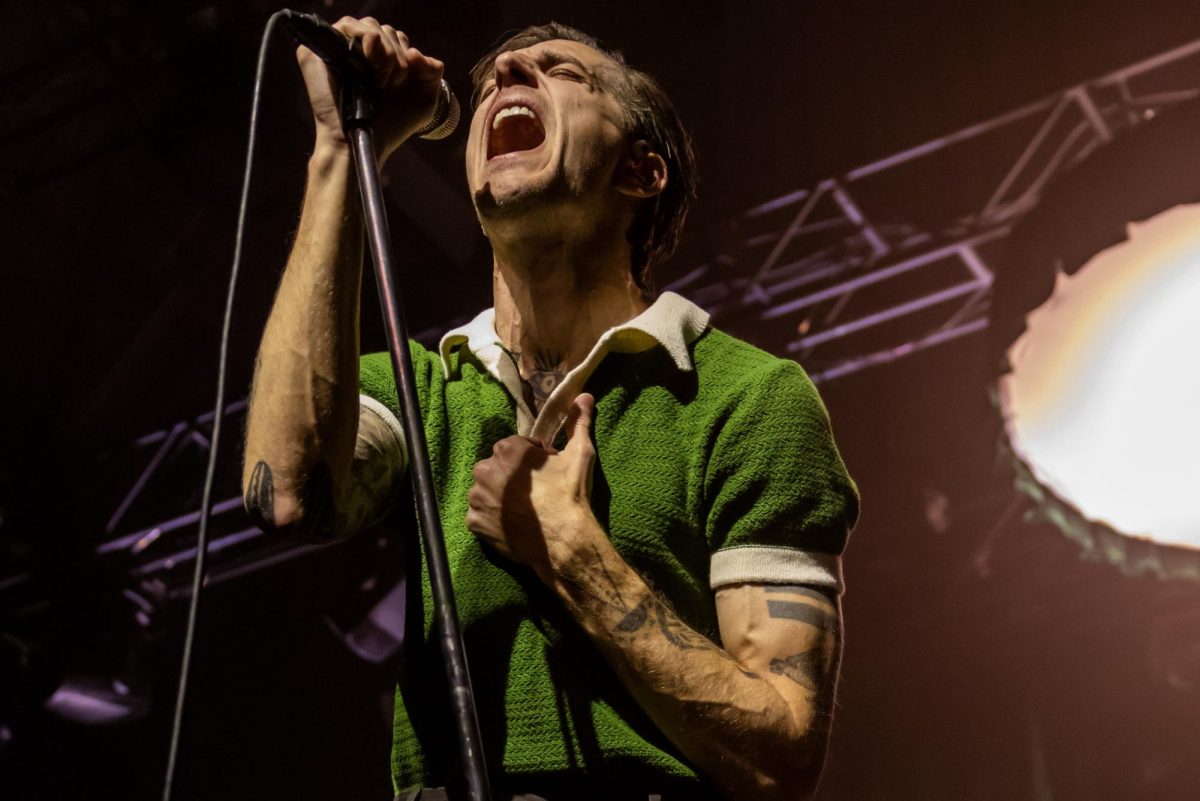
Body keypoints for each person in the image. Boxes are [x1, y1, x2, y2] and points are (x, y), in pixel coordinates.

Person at [242, 17, 858, 801]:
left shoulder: (745, 394)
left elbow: (782, 755)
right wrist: (339, 149)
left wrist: (570, 551)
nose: (508, 71)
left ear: (641, 171)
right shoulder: (424, 387)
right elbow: (287, 489)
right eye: (496, 73)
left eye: (563, 70)